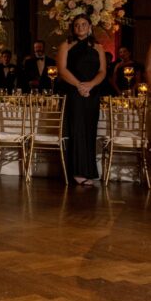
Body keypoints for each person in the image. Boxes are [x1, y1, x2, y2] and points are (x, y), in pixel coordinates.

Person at [57, 13, 106, 185]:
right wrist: (79, 85)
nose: (80, 27)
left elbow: (102, 72)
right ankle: (77, 172)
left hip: (92, 93)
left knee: (90, 131)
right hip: (74, 92)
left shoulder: (98, 47)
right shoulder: (66, 45)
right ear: (73, 27)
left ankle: (90, 171)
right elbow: (62, 70)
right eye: (77, 25)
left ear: (90, 27)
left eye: (84, 24)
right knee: (76, 130)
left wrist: (90, 85)